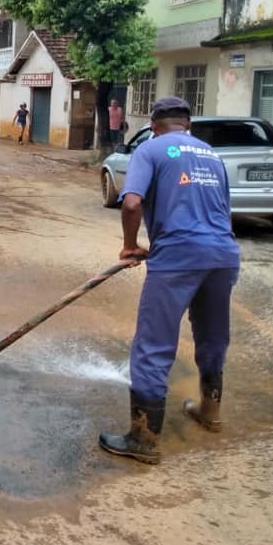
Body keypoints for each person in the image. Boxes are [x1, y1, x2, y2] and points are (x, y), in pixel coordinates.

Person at [99, 96, 241, 464]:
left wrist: (131, 246)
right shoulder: (211, 153)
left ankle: (143, 439)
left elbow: (131, 203)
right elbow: (225, 209)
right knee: (212, 334)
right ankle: (210, 411)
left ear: (155, 125)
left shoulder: (150, 149)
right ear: (188, 125)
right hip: (223, 254)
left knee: (153, 344)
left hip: (178, 255)